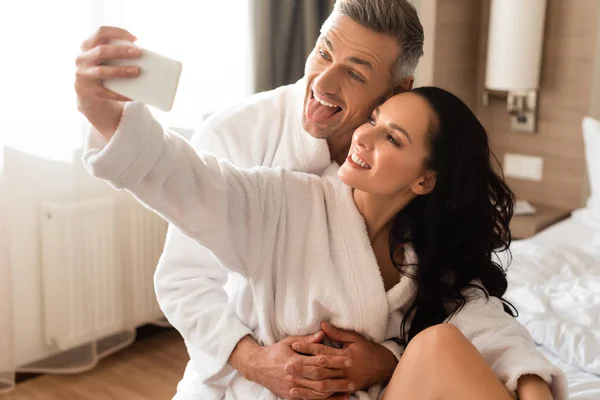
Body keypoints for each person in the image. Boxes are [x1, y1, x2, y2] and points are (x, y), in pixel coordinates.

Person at [82, 87, 567, 400]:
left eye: (392, 139)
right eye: (374, 119)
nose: (364, 136)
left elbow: (490, 328)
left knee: (442, 342)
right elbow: (196, 182)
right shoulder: (287, 203)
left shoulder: (427, 256)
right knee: (438, 344)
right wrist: (113, 121)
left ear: (424, 182)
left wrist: (529, 383)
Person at [74, 1, 428, 398]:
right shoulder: (236, 133)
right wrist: (254, 362)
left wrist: (387, 358)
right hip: (238, 379)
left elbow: (436, 298)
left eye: (354, 73)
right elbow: (183, 279)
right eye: (324, 52)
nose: (323, 83)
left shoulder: (407, 169)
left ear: (398, 90)